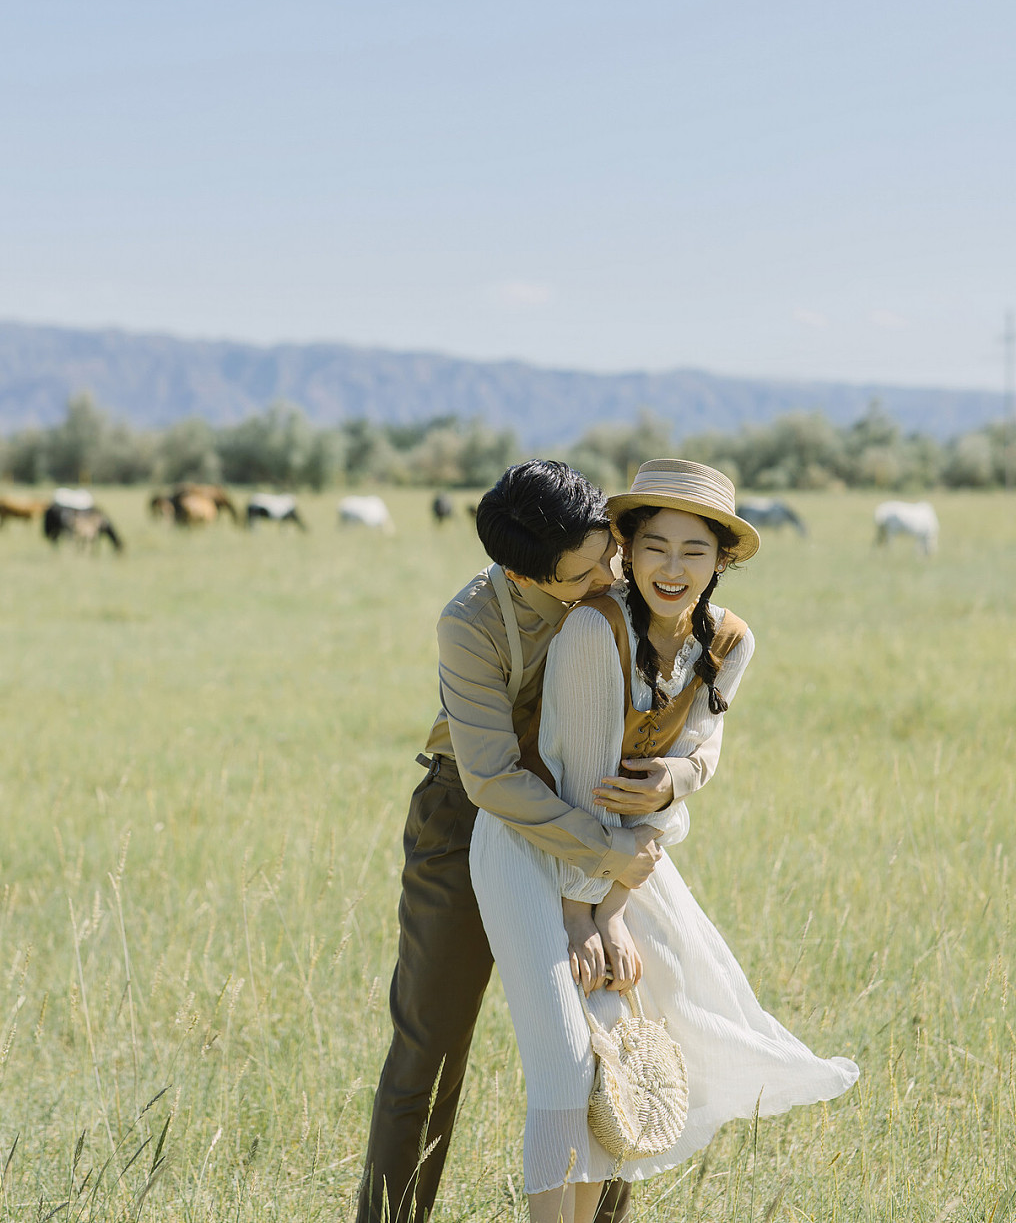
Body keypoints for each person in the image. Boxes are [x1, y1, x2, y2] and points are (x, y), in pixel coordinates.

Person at [469, 459, 860, 1223]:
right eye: (655, 547)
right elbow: (581, 784)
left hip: (626, 865)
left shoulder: (730, 643)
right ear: (627, 548)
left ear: (722, 560)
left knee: (611, 1059)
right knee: (563, 1067)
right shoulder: (593, 629)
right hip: (534, 850)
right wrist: (589, 915)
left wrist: (670, 793)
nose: (672, 568)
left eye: (694, 550)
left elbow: (696, 755)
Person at [356, 461, 675, 1223]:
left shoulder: (625, 580)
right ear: (522, 575)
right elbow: (492, 779)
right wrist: (602, 853)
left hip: (599, 813)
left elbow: (699, 704)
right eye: (584, 574)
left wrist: (673, 782)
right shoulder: (469, 621)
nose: (610, 574)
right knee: (428, 1051)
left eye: (609, 552)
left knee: (611, 1042)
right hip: (468, 819)